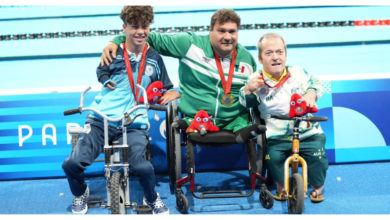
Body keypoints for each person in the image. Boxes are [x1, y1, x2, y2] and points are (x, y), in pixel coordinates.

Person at [62, 6, 179, 215]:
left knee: (143, 167)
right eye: (134, 27)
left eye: (144, 26)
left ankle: (151, 197)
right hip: (101, 118)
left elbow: (166, 86)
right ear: (124, 28)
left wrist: (173, 93)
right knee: (71, 164)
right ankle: (81, 193)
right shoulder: (113, 51)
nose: (140, 31)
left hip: (134, 121)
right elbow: (101, 70)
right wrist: (105, 79)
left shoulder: (154, 57)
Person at [101, 9, 258, 136]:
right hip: (196, 119)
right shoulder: (190, 45)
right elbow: (149, 37)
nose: (227, 37)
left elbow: (252, 98)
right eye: (221, 31)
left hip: (234, 121)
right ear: (210, 30)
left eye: (232, 31)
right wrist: (115, 41)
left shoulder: (247, 60)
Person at [239, 33, 328, 203]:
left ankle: (317, 188)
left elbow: (316, 83)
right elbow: (245, 103)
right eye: (269, 53)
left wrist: (311, 94)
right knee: (274, 159)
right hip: (277, 137)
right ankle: (281, 187)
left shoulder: (298, 72)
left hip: (308, 133)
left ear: (285, 55)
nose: (275, 57)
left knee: (318, 159)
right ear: (260, 58)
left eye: (279, 52)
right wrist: (248, 90)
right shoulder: (256, 80)